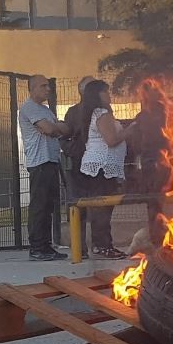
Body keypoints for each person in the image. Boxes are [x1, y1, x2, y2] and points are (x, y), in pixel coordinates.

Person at [80, 79, 135, 259]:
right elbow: (111, 140)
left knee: (102, 208)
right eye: (105, 92)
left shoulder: (96, 113)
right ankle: (103, 245)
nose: (109, 95)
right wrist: (130, 129)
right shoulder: (101, 113)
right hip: (101, 168)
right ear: (97, 95)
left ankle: (101, 245)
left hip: (102, 167)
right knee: (102, 208)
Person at [18, 75, 69, 261]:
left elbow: (63, 128)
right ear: (31, 88)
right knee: (39, 205)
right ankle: (37, 247)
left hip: (51, 160)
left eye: (48, 86)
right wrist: (54, 129)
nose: (48, 89)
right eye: (43, 86)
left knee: (49, 205)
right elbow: (50, 130)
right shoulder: (29, 107)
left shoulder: (45, 110)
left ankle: (47, 247)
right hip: (39, 162)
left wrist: (54, 128)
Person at [131, 78, 170, 247]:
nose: (159, 92)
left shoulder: (167, 111)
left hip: (171, 163)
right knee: (154, 203)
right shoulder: (142, 117)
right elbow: (136, 143)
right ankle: (157, 241)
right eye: (154, 89)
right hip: (151, 164)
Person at [61, 76, 96, 250]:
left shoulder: (101, 110)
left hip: (98, 166)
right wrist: (72, 150)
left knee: (99, 205)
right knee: (78, 206)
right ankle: (80, 247)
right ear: (82, 91)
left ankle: (100, 245)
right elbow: (63, 135)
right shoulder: (73, 112)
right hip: (78, 165)